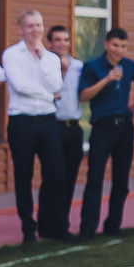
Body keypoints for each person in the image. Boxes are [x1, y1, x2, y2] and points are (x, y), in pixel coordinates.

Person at [0, 9, 69, 243]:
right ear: (21, 29)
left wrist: (42, 60)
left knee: (56, 174)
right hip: (23, 121)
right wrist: (48, 96)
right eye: (30, 26)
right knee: (23, 175)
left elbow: (57, 84)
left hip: (48, 121)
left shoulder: (50, 57)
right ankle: (28, 228)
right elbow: (20, 86)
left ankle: (52, 225)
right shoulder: (11, 54)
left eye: (38, 25)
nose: (35, 30)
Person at [77, 27, 134, 238]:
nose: (119, 50)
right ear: (106, 45)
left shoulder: (130, 65)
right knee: (95, 178)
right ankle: (87, 229)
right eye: (115, 45)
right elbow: (84, 96)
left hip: (125, 127)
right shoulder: (92, 66)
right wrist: (107, 79)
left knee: (121, 180)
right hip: (102, 126)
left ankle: (113, 226)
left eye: (123, 46)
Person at [45, 22, 87, 231]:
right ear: (50, 44)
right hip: (52, 125)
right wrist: (60, 72)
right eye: (58, 40)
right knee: (53, 175)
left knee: (70, 176)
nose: (63, 44)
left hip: (74, 127)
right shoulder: (43, 65)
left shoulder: (79, 66)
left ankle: (62, 223)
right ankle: (46, 224)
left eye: (66, 39)